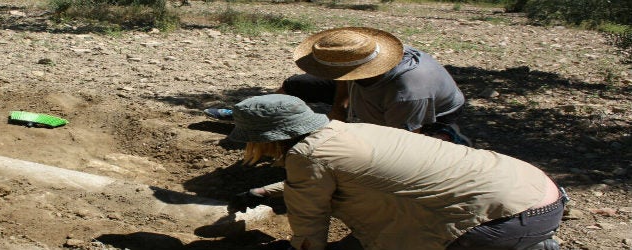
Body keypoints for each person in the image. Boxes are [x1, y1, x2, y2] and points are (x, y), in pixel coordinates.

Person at [226, 94, 564, 250]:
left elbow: (310, 222)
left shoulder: (306, 155)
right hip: (540, 195)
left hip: (496, 223)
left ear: (267, 138)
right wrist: (266, 194)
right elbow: (343, 178)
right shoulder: (349, 130)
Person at [204, 27, 469, 145]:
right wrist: (339, 111)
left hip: (431, 111)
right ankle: (259, 119)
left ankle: (447, 137)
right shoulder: (365, 54)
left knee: (379, 142)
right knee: (296, 84)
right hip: (369, 85)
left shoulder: (408, 93)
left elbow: (402, 143)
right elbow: (344, 82)